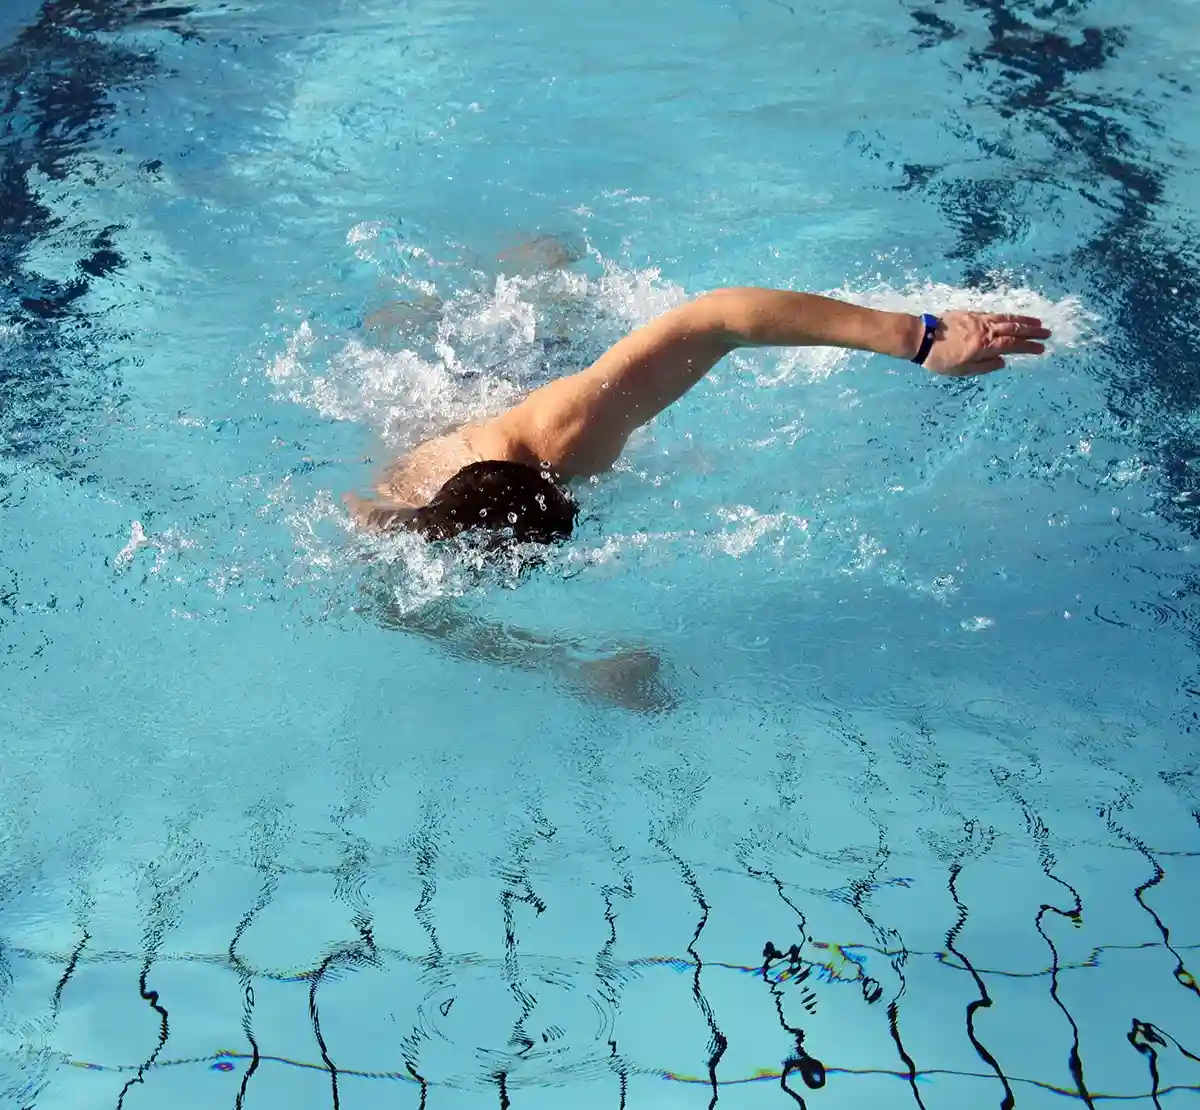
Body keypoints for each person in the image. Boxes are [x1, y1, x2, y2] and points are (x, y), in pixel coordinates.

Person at [344, 286, 1052, 547]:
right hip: (443, 414)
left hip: (523, 375)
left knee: (546, 297)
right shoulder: (409, 518)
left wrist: (918, 336)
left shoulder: (567, 432)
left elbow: (718, 318)